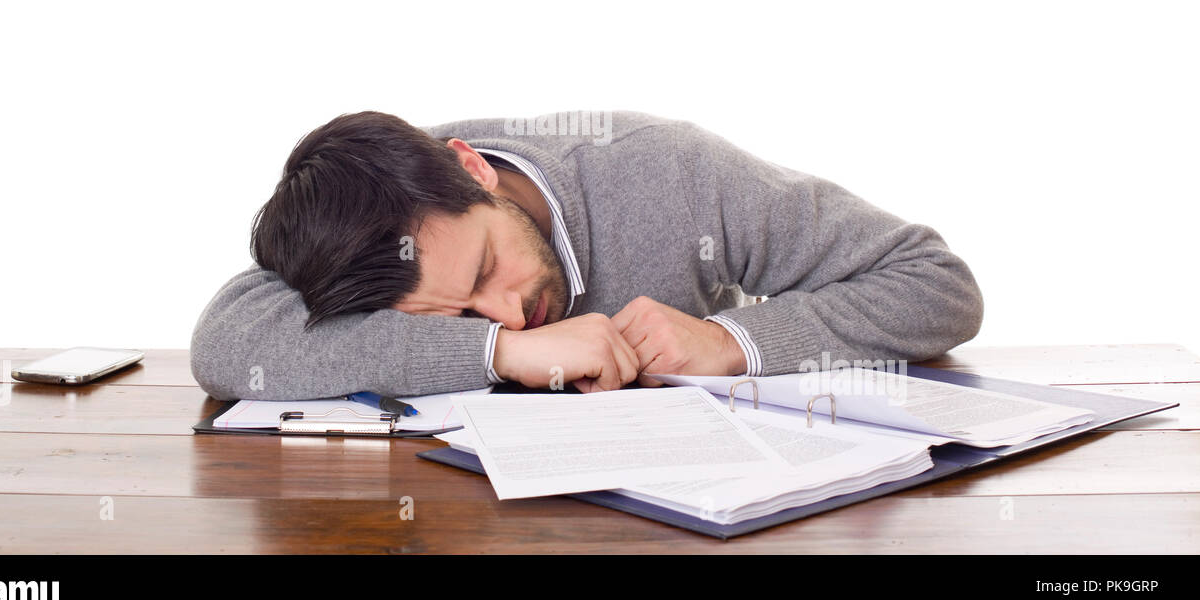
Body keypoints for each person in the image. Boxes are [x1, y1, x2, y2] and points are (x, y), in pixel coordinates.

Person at [189, 110, 983, 400]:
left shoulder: (672, 171)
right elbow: (228, 341)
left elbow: (934, 284)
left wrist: (735, 342)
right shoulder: (360, 237)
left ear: (472, 168)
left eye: (483, 273)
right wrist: (503, 350)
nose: (504, 308)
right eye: (459, 313)